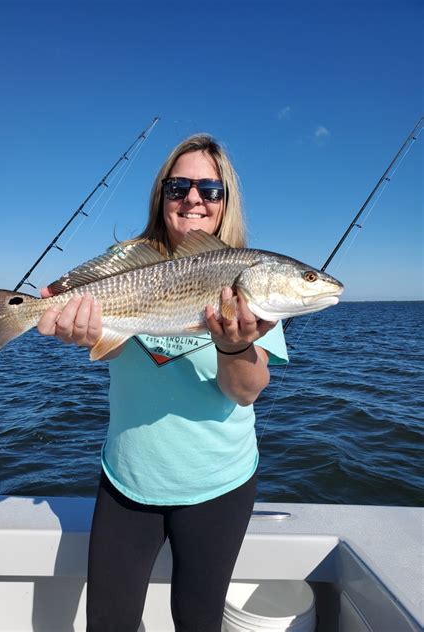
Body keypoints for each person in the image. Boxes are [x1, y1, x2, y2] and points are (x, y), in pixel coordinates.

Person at [37, 134, 288, 631]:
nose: (194, 199)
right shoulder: (128, 259)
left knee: (199, 622)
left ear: (224, 202)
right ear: (162, 195)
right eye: (179, 186)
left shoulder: (245, 279)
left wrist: (235, 345)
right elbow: (98, 335)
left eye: (210, 190)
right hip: (128, 480)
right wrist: (67, 321)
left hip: (219, 483)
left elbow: (245, 390)